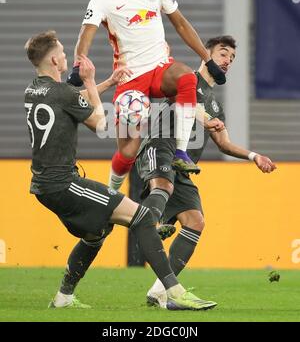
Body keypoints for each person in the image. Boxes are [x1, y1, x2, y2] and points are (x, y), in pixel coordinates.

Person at [24, 30, 218, 311]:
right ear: (55, 60)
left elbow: (70, 99)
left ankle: (64, 296)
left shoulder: (34, 90)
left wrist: (107, 82)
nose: (68, 57)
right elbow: (101, 125)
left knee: (95, 235)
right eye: (64, 53)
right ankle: (173, 291)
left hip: (43, 186)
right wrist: (91, 81)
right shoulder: (63, 93)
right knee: (140, 217)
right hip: (64, 183)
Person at [67, 0, 226, 191]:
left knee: (187, 78)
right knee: (128, 151)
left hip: (161, 68)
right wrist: (78, 64)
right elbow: (85, 33)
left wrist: (208, 59)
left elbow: (181, 25)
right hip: (130, 78)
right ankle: (111, 191)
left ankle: (181, 153)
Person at [134, 35, 277, 308]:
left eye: (232, 58)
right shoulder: (186, 78)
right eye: (223, 54)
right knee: (163, 187)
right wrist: (207, 119)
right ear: (206, 55)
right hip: (160, 147)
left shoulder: (215, 104)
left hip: (183, 167)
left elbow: (223, 143)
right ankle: (154, 220)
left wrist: (253, 155)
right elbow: (181, 102)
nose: (228, 61)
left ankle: (159, 292)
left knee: (196, 222)